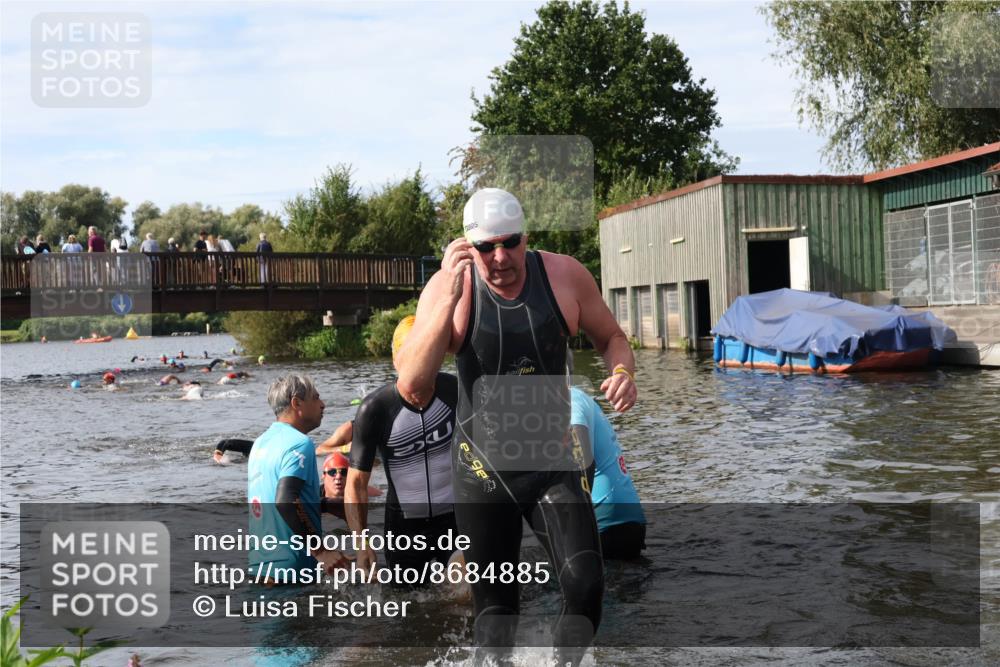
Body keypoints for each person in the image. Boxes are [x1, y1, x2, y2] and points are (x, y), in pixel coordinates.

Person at [395, 188, 637, 664]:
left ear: (528, 236)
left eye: (511, 242)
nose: (501, 257)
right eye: (486, 247)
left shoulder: (566, 276)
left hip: (550, 463)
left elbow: (612, 337)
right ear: (468, 247)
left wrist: (623, 373)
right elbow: (413, 387)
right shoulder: (450, 291)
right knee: (496, 618)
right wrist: (446, 297)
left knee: (586, 586)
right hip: (482, 474)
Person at [347, 316, 460, 579]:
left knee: (463, 590)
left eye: (426, 359)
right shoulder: (375, 408)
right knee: (410, 610)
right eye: (410, 360)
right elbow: (356, 485)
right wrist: (361, 544)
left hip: (455, 519)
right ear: (396, 360)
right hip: (404, 528)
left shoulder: (455, 391)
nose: (419, 370)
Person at [247, 374, 348, 581]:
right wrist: (321, 552)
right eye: (316, 398)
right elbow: (285, 501)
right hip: (293, 568)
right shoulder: (300, 443)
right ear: (297, 403)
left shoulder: (260, 443)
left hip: (260, 567)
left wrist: (323, 505)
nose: (322, 404)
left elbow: (272, 500)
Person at [570, 387, 646, 559]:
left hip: (605, 528)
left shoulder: (570, 402)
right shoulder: (577, 396)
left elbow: (582, 465)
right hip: (628, 522)